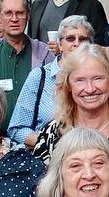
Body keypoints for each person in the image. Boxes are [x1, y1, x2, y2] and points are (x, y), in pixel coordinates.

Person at [31, 44, 109, 166]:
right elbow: (40, 183)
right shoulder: (52, 133)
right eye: (80, 80)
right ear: (68, 86)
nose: (89, 89)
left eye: (97, 78)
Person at [9, 15, 93, 149]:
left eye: (83, 39)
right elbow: (17, 128)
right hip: (45, 159)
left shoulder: (97, 80)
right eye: (70, 38)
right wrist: (53, 145)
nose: (76, 43)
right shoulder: (40, 76)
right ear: (60, 44)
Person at [0, 0, 55, 125]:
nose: (14, 19)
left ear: (28, 15)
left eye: (20, 13)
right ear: (0, 17)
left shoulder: (45, 56)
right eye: (8, 13)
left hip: (35, 139)